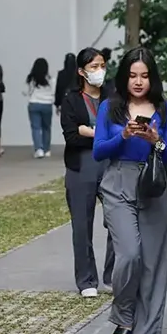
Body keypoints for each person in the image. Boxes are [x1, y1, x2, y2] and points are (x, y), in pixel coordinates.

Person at [94, 47, 167, 334]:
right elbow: (99, 151)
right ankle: (124, 320)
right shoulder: (110, 107)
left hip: (153, 184)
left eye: (144, 75)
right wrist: (125, 136)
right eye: (132, 75)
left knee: (153, 263)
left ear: (152, 77)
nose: (138, 81)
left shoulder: (165, 109)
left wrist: (155, 140)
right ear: (124, 77)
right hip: (118, 183)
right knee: (129, 255)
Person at [61, 47, 115, 298]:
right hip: (80, 167)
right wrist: (98, 134)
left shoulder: (113, 96)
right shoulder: (72, 100)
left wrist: (88, 130)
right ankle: (86, 280)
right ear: (82, 72)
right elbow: (71, 136)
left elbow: (119, 128)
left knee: (118, 220)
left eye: (102, 65)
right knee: (81, 226)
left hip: (110, 165)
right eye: (94, 67)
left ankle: (112, 276)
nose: (99, 71)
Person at [25, 58, 56, 158]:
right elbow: (53, 92)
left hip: (34, 104)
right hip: (47, 105)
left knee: (36, 128)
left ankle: (39, 149)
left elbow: (27, 92)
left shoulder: (31, 79)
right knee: (46, 128)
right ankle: (47, 149)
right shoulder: (51, 79)